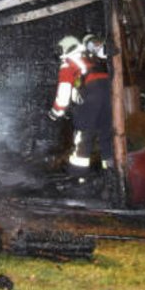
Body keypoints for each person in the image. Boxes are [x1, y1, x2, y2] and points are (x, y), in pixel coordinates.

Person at [48, 34, 114, 183]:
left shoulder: (68, 63)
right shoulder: (91, 58)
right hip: (108, 92)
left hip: (90, 94)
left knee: (84, 136)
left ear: (63, 50)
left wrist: (56, 112)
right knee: (106, 134)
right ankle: (111, 174)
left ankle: (78, 176)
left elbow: (64, 91)